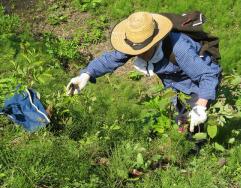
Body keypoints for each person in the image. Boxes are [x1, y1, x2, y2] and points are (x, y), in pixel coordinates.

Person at [67, 12, 221, 132]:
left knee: (195, 123)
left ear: (155, 42)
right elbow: (110, 59)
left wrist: (200, 106)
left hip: (198, 82)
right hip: (175, 84)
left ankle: (199, 151)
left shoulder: (179, 48)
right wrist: (86, 75)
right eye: (135, 50)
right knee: (180, 119)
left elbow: (207, 76)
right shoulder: (135, 42)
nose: (138, 54)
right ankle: (185, 139)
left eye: (144, 50)